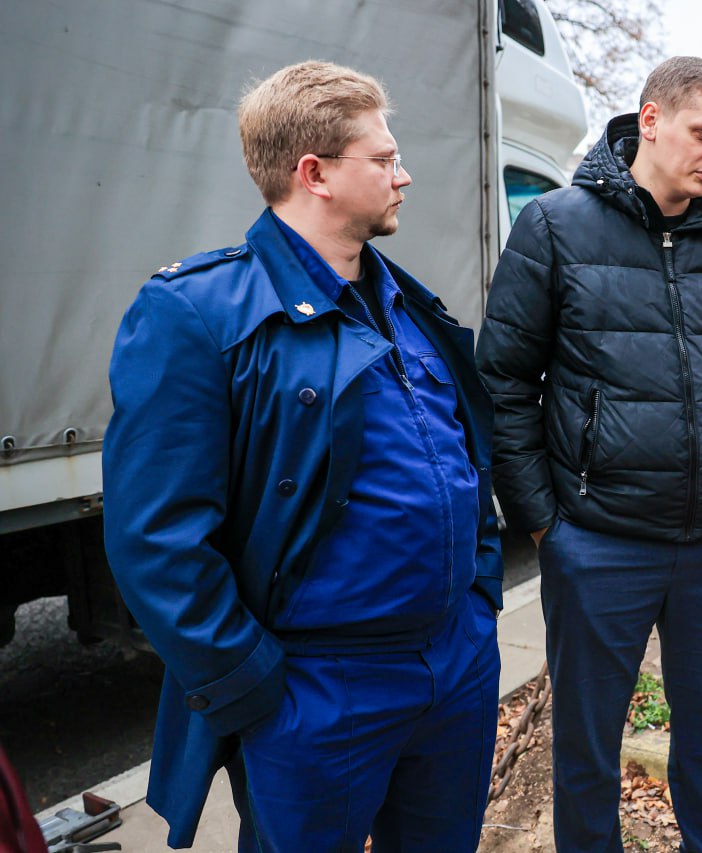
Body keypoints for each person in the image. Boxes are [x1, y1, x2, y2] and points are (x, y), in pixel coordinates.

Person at [102, 61, 501, 852]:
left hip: (453, 667)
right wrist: (255, 687)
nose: (404, 174)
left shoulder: (408, 302)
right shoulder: (196, 312)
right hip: (319, 693)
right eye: (384, 159)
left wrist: (481, 604)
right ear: (313, 173)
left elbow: (464, 460)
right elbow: (156, 538)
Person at [476, 56, 702, 852]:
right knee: (587, 747)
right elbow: (503, 381)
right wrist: (547, 524)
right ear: (649, 121)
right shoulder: (554, 225)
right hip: (600, 543)